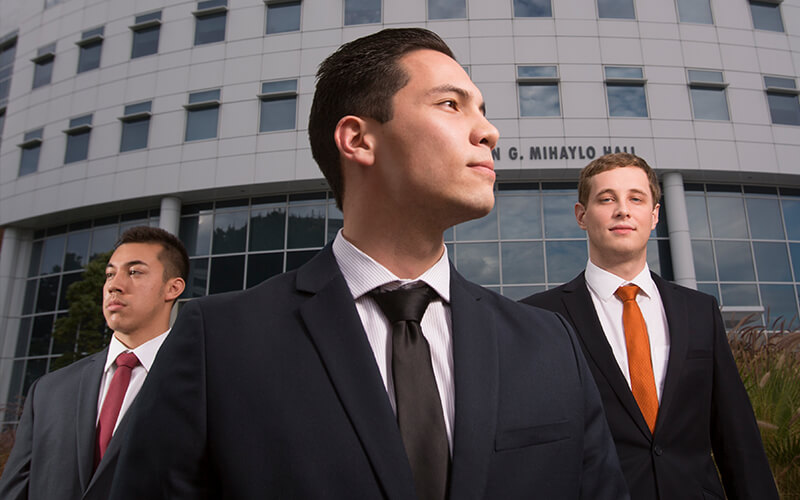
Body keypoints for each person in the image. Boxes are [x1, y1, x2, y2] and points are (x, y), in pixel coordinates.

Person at [108, 28, 627, 499]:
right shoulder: (217, 342)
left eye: (483, 110)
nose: (488, 132)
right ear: (358, 139)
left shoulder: (549, 344)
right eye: (452, 104)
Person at [522, 153, 778, 499]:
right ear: (582, 215)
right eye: (607, 198)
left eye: (636, 198)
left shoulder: (700, 311)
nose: (622, 210)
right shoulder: (540, 317)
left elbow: (737, 437)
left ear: (654, 215)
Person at [0, 226, 188, 500]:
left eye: (134, 272)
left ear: (173, 288)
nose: (114, 284)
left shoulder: (205, 388)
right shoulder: (47, 391)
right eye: (110, 274)